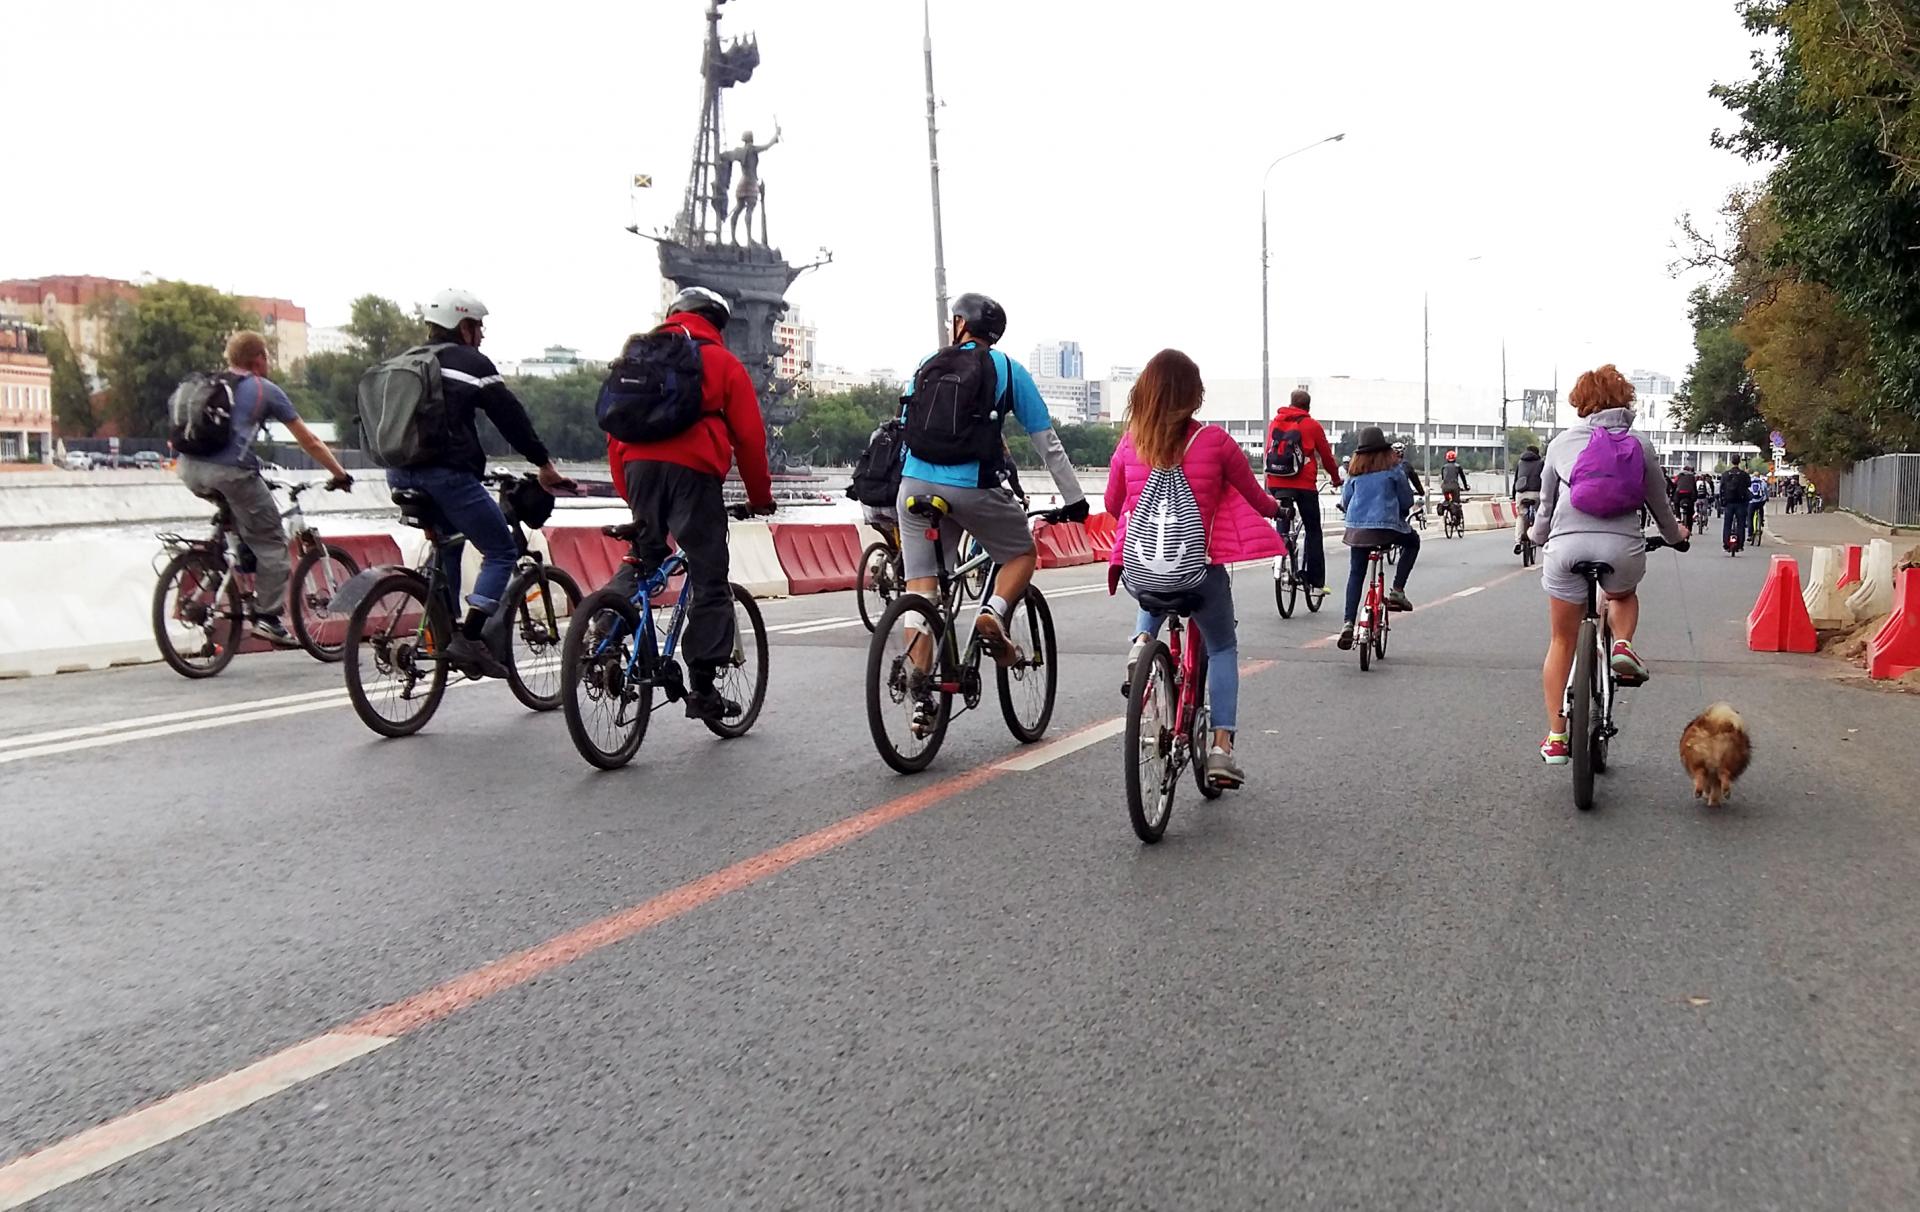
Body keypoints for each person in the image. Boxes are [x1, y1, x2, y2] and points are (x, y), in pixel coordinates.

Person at [894, 292, 1088, 725]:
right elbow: (1047, 443)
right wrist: (1075, 500)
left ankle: (921, 698)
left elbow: (904, 427)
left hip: (913, 486)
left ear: (961, 324)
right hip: (973, 489)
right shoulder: (1008, 370)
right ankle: (993, 612)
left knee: (921, 589)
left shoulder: (927, 363)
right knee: (1021, 553)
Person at [1107, 349, 1280, 788]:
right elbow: (1255, 497)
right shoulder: (1215, 441)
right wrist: (1276, 509)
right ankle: (1221, 749)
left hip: (1140, 575)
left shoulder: (1130, 443)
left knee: (1151, 580)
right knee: (1221, 647)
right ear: (1194, 396)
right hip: (1198, 574)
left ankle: (1141, 644)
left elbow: (1111, 503)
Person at [606, 286, 776, 721]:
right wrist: (759, 497)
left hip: (636, 468)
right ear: (717, 323)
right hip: (694, 473)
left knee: (644, 555)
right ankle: (703, 687)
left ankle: (602, 628)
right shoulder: (722, 361)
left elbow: (616, 428)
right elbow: (749, 438)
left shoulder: (638, 356)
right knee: (708, 574)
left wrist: (631, 495)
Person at [387, 288, 572, 679]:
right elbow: (510, 417)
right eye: (478, 326)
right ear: (463, 326)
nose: (482, 334)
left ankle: (444, 627)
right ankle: (469, 637)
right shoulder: (470, 362)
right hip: (447, 477)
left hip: (398, 472)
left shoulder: (407, 361)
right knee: (501, 549)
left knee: (449, 542)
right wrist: (543, 464)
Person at [1528, 365, 1687, 764]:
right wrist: (1675, 537)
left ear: (1580, 401)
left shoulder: (1561, 443)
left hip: (1566, 548)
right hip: (1621, 549)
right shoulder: (1640, 444)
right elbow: (1659, 503)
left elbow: (1545, 507)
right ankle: (1622, 645)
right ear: (1625, 400)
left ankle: (1557, 737)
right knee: (1622, 595)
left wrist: (1537, 536)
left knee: (1561, 641)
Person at [175, 330, 354, 647]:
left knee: (242, 513)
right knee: (271, 542)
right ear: (258, 359)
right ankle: (267, 618)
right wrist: (339, 473)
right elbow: (309, 440)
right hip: (230, 475)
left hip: (188, 469)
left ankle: (226, 564)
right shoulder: (264, 390)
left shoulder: (213, 384)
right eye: (266, 356)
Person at [1336, 427, 1421, 650]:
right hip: (1386, 530)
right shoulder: (1393, 469)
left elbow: (1346, 501)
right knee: (1413, 542)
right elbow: (1407, 500)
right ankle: (1397, 590)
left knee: (1356, 573)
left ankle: (1348, 622)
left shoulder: (1354, 472)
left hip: (1357, 532)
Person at [1263, 387, 1342, 594]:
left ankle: (1280, 553)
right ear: (1308, 407)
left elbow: (1268, 451)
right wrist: (1335, 478)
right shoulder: (1312, 425)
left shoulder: (1275, 422)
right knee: (1313, 530)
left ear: (1290, 403)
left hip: (1276, 482)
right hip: (1303, 485)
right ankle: (1315, 581)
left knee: (1283, 518)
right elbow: (1326, 457)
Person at [1511, 443, 1545, 551]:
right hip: (1536, 493)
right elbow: (1545, 479)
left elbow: (1516, 480)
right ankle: (1538, 537)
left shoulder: (1520, 462)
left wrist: (1513, 495)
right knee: (1540, 513)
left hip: (1521, 493)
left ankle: (1517, 542)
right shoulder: (1541, 463)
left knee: (1521, 516)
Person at [1391, 441, 1427, 522]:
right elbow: (1415, 480)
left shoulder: (1385, 464)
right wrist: (1421, 492)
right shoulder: (1406, 465)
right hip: (1403, 498)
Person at [1439, 450, 1471, 526]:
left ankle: (1447, 511)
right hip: (1454, 487)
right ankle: (1457, 521)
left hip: (1445, 487)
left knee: (1447, 500)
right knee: (1456, 502)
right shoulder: (1458, 466)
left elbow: (1443, 478)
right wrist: (1466, 486)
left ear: (1447, 458)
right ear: (1455, 458)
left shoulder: (1444, 467)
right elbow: (1463, 478)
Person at [1672, 461, 1700, 532]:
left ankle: (1678, 517)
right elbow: (1694, 488)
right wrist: (1695, 497)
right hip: (1689, 494)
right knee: (1690, 509)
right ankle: (1689, 529)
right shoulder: (1692, 477)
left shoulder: (1679, 476)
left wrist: (1672, 494)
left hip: (1679, 493)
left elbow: (1674, 485)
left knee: (1676, 503)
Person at [1749, 474, 1769, 543]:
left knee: (1750, 517)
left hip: (1752, 502)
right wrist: (1767, 498)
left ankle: (1750, 534)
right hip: (1761, 501)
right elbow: (1766, 491)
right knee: (1761, 508)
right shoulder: (1763, 482)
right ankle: (1761, 520)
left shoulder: (1749, 482)